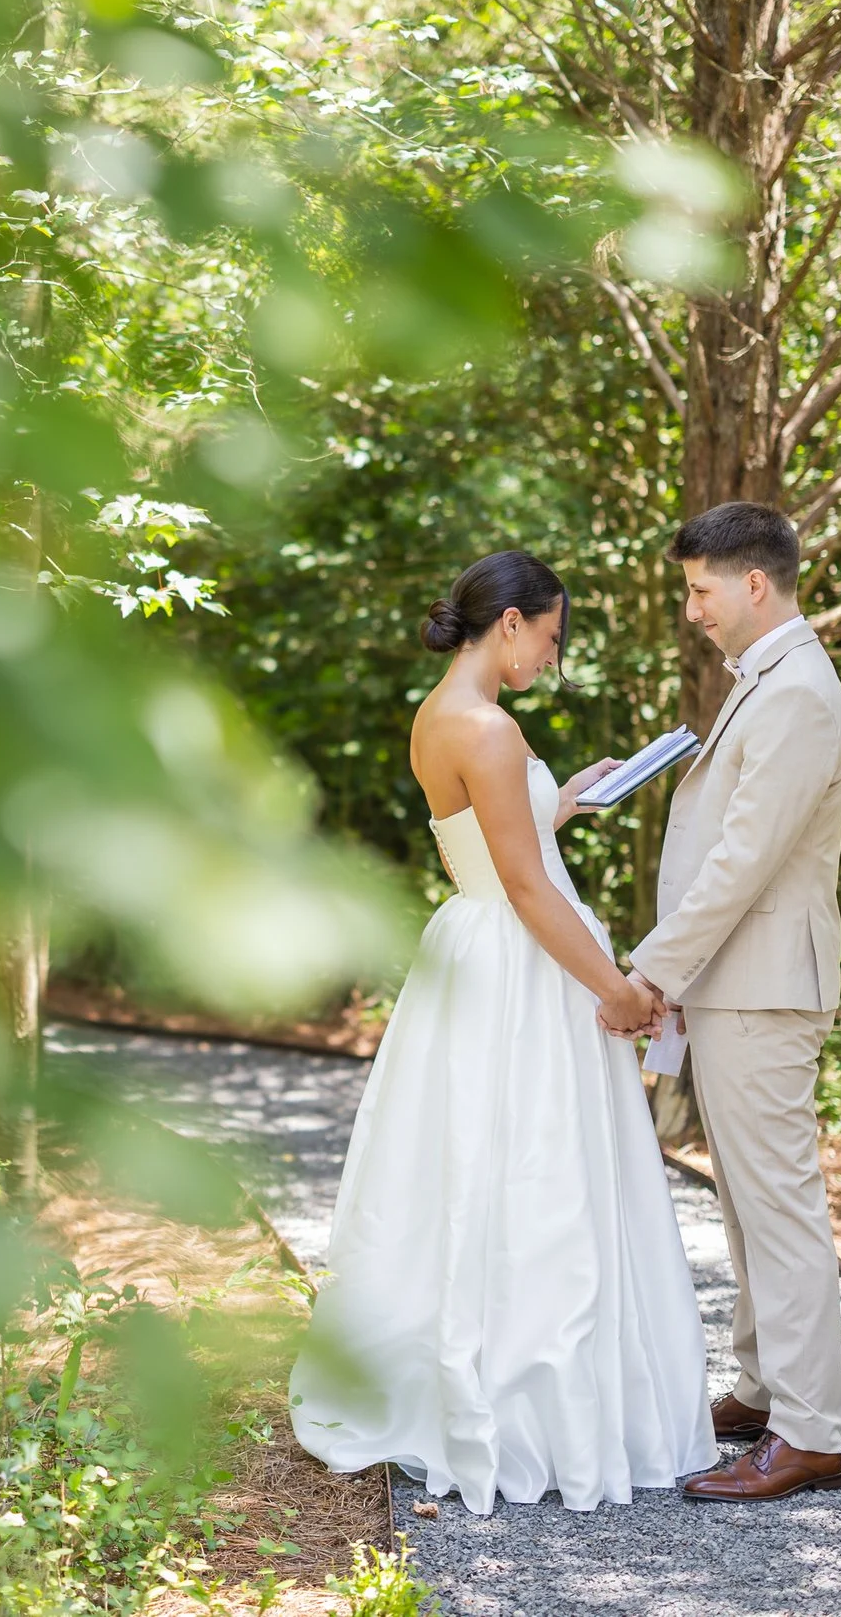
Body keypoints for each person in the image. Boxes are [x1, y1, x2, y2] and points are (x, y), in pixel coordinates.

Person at [289, 550, 715, 1514]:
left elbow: (489, 847)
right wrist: (616, 988)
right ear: (512, 621)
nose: (554, 658)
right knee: (535, 1164)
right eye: (553, 637)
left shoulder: (438, 715)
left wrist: (562, 800)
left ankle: (485, 1368)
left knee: (475, 1161)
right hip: (522, 960)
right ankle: (532, 1406)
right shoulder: (487, 727)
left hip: (475, 949)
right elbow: (524, 886)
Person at [627, 501, 841, 1503]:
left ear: (752, 583)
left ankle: (809, 1433)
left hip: (764, 987)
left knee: (779, 1205)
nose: (693, 610)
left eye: (699, 589)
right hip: (737, 982)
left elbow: (740, 863)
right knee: (745, 1201)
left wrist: (650, 971)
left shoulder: (797, 691)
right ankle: (768, 1390)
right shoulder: (765, 680)